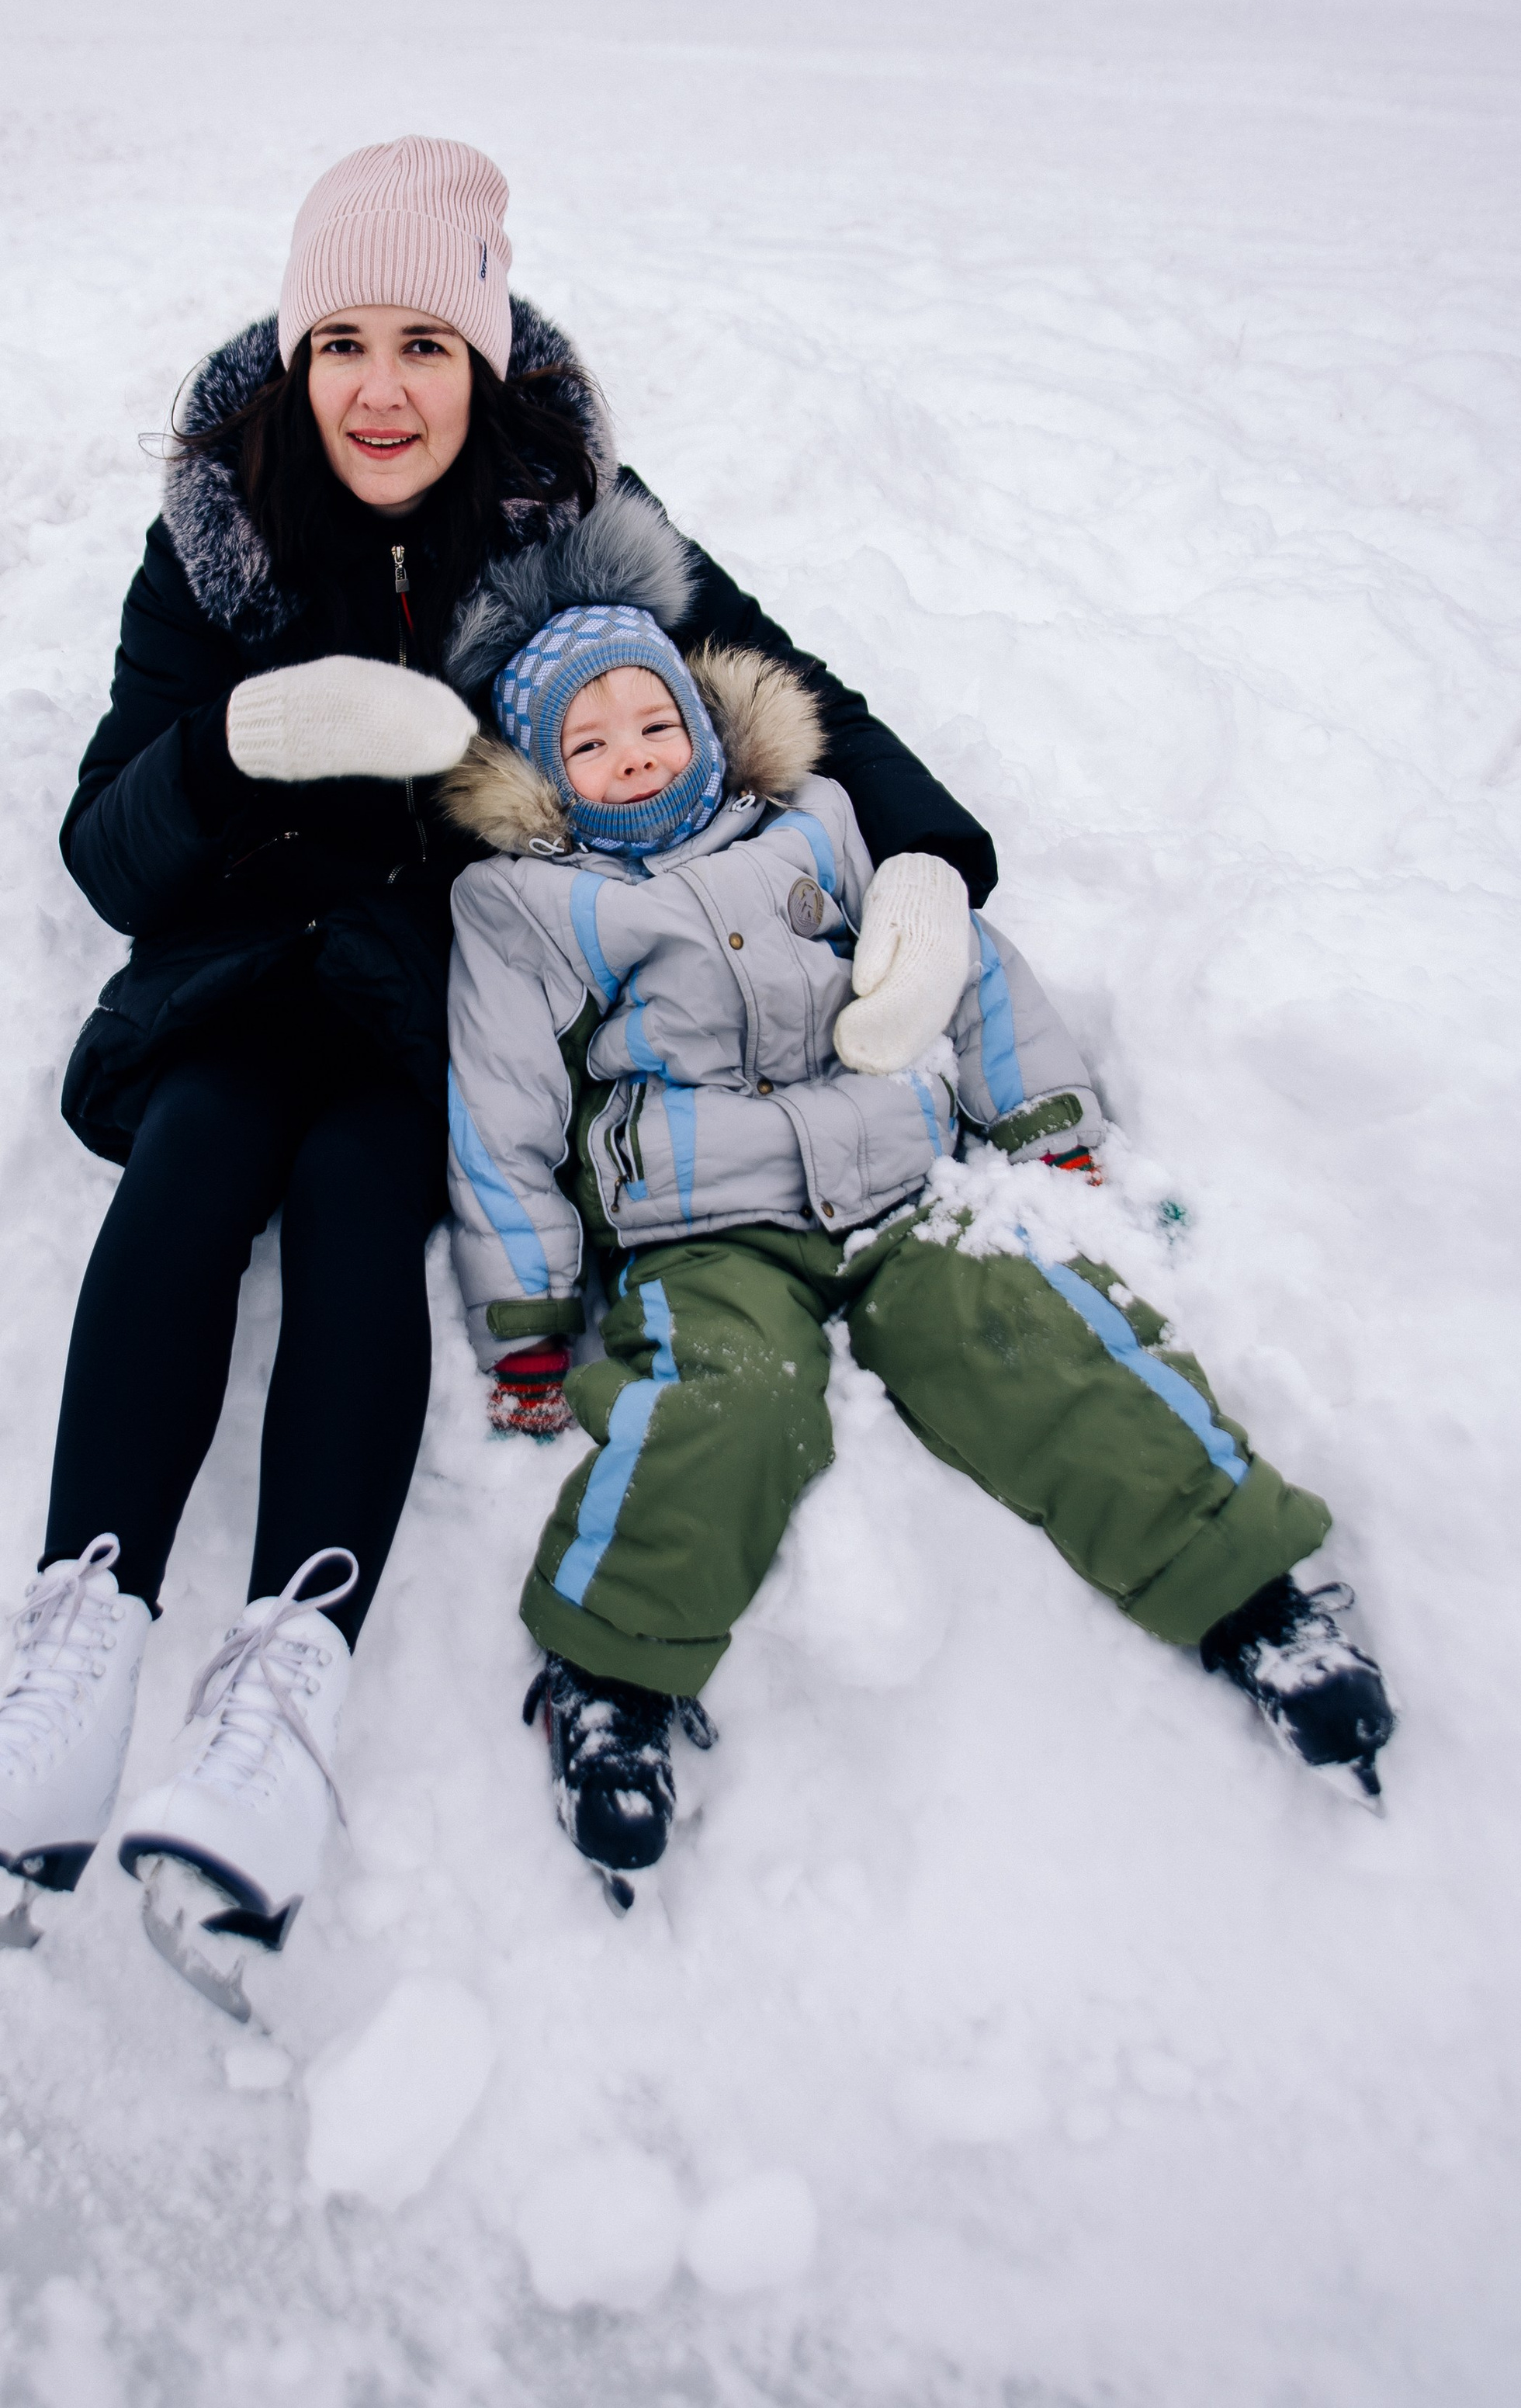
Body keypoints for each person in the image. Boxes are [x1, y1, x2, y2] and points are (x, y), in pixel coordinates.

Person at [0, 137, 1000, 2010]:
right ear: (294, 356)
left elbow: (794, 694)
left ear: (479, 360)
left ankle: (282, 1712)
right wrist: (243, 740)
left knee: (345, 1202)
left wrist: (926, 860)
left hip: (436, 990)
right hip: (239, 962)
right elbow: (105, 848)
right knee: (198, 1152)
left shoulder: (581, 528)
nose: (378, 385)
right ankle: (68, 1653)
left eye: (420, 337)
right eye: (339, 341)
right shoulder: (217, 540)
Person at [438, 513, 1397, 1908]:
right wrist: (527, 1317)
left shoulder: (814, 824)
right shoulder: (530, 910)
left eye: (655, 718)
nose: (635, 751)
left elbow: (961, 965)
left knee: (1033, 1333)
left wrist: (1043, 1121)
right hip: (705, 1229)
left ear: (704, 721)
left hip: (894, 1178)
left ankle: (1253, 1594)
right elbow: (503, 1111)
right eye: (592, 744)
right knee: (726, 1400)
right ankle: (612, 1685)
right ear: (549, 778)